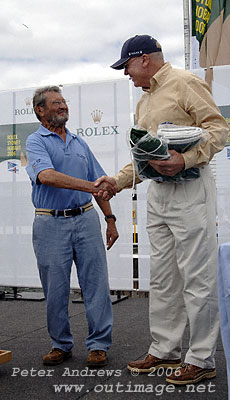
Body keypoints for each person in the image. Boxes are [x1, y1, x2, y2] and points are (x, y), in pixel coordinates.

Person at [95, 34, 229, 385]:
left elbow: (218, 130)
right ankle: (165, 349)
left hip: (189, 190)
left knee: (197, 278)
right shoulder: (144, 103)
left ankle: (201, 357)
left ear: (142, 60)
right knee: (164, 277)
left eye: (126, 66)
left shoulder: (185, 83)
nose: (126, 74)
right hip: (158, 195)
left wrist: (184, 158)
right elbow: (142, 157)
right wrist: (117, 181)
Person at [26, 86, 118, 367]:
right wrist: (91, 186)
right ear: (41, 110)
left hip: (86, 219)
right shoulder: (35, 141)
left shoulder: (80, 143)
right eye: (56, 103)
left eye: (64, 102)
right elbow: (47, 176)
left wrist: (110, 219)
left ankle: (99, 345)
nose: (63, 106)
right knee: (55, 288)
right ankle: (61, 344)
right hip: (49, 222)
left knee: (97, 284)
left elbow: (99, 181)